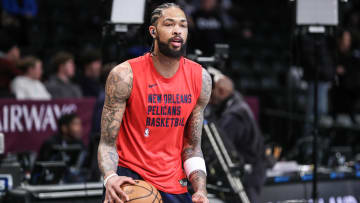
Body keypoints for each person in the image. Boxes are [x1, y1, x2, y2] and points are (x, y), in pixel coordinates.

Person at [98, 3, 211, 203]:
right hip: (131, 179)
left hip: (175, 183)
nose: (177, 30)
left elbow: (192, 146)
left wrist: (200, 189)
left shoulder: (201, 79)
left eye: (183, 25)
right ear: (153, 31)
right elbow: (107, 143)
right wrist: (110, 177)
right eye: (169, 24)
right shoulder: (124, 75)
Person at [207, 71, 265, 203]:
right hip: (251, 170)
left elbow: (221, 150)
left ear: (221, 91)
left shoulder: (234, 116)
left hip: (246, 176)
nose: (209, 99)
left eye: (211, 93)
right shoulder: (236, 102)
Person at [35, 113, 86, 183]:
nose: (79, 128)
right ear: (64, 128)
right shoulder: (51, 144)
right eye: (75, 124)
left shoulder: (79, 144)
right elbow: (43, 170)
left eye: (80, 125)